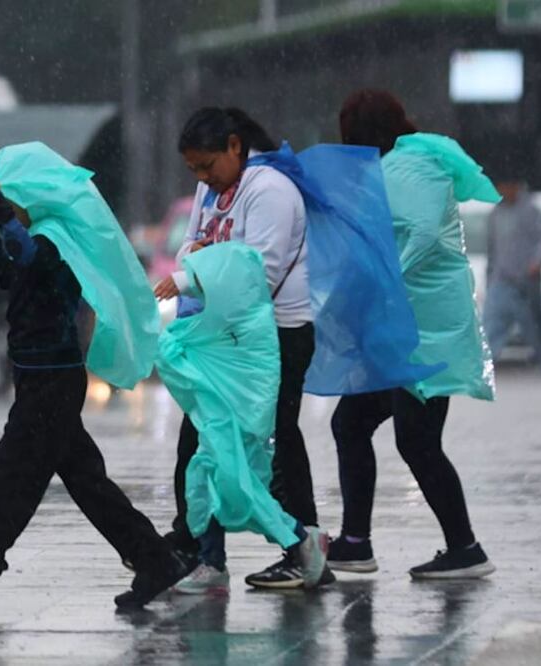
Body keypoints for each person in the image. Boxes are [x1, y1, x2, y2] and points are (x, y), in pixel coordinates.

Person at [0, 144, 189, 614]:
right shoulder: (40, 237)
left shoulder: (57, 240)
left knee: (10, 476)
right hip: (40, 378)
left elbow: (27, 255)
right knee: (86, 482)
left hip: (52, 381)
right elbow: (11, 273)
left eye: (11, 199)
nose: (5, 209)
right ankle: (155, 559)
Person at [153, 107, 329, 590]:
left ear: (235, 146)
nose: (202, 178)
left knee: (273, 439)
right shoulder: (211, 190)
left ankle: (304, 545)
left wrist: (198, 270)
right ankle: (199, 548)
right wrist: (202, 265)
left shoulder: (270, 190)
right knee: (201, 437)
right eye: (193, 169)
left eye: (207, 165)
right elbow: (189, 248)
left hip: (278, 334)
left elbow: (260, 273)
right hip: (224, 332)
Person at [326, 90, 496, 579]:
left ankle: (465, 548)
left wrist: (387, 279)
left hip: (426, 333)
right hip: (403, 331)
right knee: (352, 423)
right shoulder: (398, 165)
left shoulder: (415, 165)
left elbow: (422, 233)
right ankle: (355, 543)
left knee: (417, 440)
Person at [156, 243, 325, 595]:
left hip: (242, 421)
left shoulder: (245, 322)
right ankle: (212, 560)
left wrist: (185, 278)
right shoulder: (230, 319)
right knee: (206, 477)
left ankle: (300, 539)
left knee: (237, 488)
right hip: (221, 420)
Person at [482, 178, 541, 369]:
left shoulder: (531, 211)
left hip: (526, 282)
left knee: (535, 329)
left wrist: (537, 262)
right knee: (492, 325)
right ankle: (482, 368)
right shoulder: (496, 214)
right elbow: (492, 250)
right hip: (501, 280)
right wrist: (489, 278)